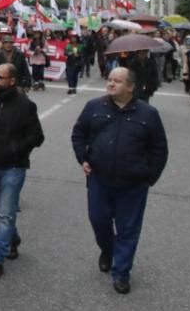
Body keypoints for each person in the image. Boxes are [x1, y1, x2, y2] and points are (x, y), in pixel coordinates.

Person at [71, 67, 168, 295]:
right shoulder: (94, 107)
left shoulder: (148, 114)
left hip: (133, 185)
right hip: (99, 180)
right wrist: (83, 158)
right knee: (99, 220)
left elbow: (159, 149)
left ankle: (122, 272)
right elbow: (78, 133)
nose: (111, 84)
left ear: (131, 87)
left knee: (128, 229)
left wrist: (149, 177)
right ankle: (108, 250)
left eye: (117, 81)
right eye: (110, 80)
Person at [0, 64, 45, 281]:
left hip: (13, 167)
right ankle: (12, 239)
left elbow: (37, 136)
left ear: (12, 80)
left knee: (5, 213)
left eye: (0, 77)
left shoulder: (25, 105)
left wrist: (15, 149)